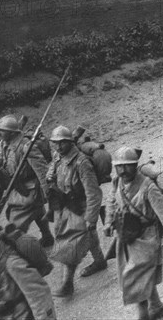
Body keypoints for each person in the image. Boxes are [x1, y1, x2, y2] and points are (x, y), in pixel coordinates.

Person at [104, 147, 163, 320]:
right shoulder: (118, 182)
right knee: (140, 274)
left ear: (135, 165)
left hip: (147, 238)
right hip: (126, 236)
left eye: (127, 166)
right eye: (119, 166)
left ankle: (142, 316)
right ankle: (156, 305)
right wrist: (108, 221)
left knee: (136, 278)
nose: (123, 171)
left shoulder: (148, 188)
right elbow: (111, 200)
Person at [46, 125, 105, 297]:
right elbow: (52, 174)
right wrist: (50, 176)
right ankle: (100, 261)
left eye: (62, 143)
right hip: (66, 204)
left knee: (71, 245)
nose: (58, 147)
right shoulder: (58, 157)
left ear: (70, 142)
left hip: (82, 205)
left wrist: (91, 217)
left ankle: (67, 284)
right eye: (55, 143)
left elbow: (93, 192)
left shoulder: (82, 163)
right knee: (88, 235)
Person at [0, 115, 54, 246]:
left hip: (28, 189)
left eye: (2, 130)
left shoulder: (26, 147)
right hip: (14, 185)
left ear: (12, 132)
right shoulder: (4, 143)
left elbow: (42, 170)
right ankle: (47, 236)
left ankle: (16, 251)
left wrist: (49, 192)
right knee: (37, 211)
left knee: (16, 220)